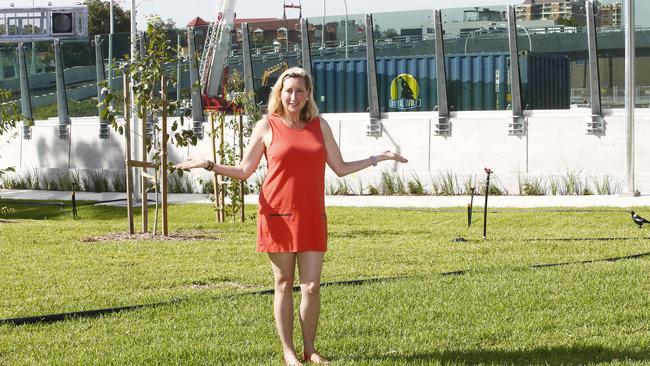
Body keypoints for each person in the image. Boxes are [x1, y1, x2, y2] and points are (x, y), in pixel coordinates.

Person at [174, 67, 408, 365]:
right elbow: (245, 171)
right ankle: (289, 352)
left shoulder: (320, 127)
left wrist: (378, 157)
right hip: (277, 214)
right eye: (288, 91)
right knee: (284, 282)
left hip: (311, 215)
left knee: (311, 285)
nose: (294, 97)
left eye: (300, 91)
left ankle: (310, 349)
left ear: (308, 94)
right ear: (279, 94)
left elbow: (341, 167)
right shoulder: (267, 126)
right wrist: (210, 164)